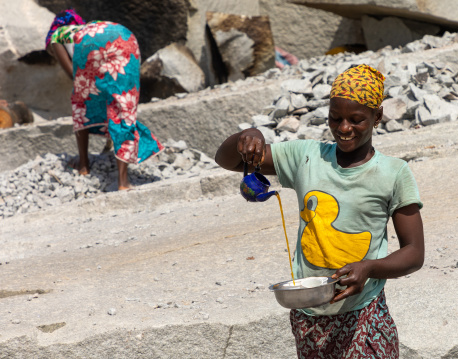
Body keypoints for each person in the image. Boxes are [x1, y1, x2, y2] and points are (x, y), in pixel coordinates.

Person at [215, 64, 424, 358]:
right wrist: (248, 135)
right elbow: (227, 160)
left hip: (365, 312)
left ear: (377, 117)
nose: (343, 128)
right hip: (310, 316)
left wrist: (369, 268)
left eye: (356, 119)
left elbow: (414, 253)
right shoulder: (306, 157)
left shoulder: (393, 173)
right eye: (335, 118)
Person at [46, 9, 164, 190]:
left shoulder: (57, 35)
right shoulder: (93, 26)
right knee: (122, 104)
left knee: (81, 100)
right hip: (125, 37)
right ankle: (123, 181)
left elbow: (73, 74)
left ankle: (84, 165)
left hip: (93, 43)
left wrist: (84, 83)